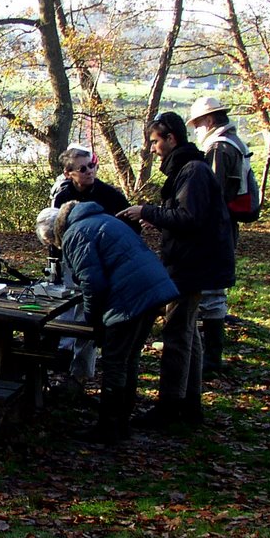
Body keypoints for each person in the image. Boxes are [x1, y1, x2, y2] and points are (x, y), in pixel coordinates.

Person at [119, 112, 235, 429]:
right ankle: (190, 405)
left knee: (177, 332)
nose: (153, 149)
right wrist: (157, 216)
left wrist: (148, 211)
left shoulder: (193, 171)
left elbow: (189, 218)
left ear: (171, 138)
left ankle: (169, 407)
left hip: (192, 265)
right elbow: (182, 214)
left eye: (156, 141)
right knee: (187, 333)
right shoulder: (188, 169)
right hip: (191, 262)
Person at [52, 200, 179, 444]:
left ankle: (108, 427)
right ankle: (121, 422)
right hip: (154, 290)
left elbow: (92, 283)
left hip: (130, 297)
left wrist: (93, 322)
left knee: (114, 362)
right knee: (129, 358)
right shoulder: (106, 220)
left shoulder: (76, 233)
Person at [47, 144, 139, 388]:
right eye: (82, 168)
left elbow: (132, 229)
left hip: (104, 265)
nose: (89, 171)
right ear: (68, 173)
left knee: (90, 313)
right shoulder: (62, 195)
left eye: (92, 165)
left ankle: (81, 373)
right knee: (66, 309)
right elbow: (55, 231)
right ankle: (60, 360)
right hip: (71, 261)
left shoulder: (111, 196)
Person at [187, 96, 248, 375]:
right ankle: (211, 353)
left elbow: (213, 192)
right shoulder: (234, 143)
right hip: (224, 225)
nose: (196, 129)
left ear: (209, 121)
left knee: (212, 292)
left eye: (197, 124)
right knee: (214, 290)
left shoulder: (218, 148)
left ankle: (211, 358)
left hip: (216, 228)